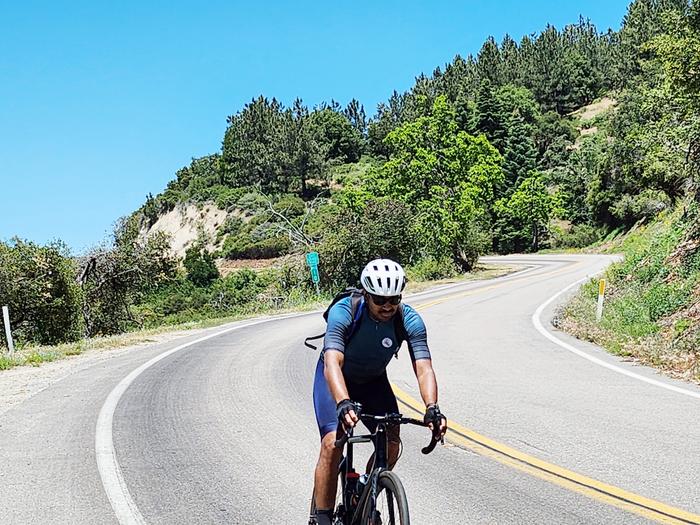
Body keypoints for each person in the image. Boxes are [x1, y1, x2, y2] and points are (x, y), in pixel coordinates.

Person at [311, 258, 447, 525]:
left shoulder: (409, 320)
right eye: (379, 299)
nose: (387, 306)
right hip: (336, 379)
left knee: (392, 443)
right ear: (366, 294)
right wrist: (343, 402)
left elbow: (424, 368)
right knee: (332, 442)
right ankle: (322, 518)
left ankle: (365, 486)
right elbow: (332, 362)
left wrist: (432, 407)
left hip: (373, 381)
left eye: (393, 299)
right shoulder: (345, 311)